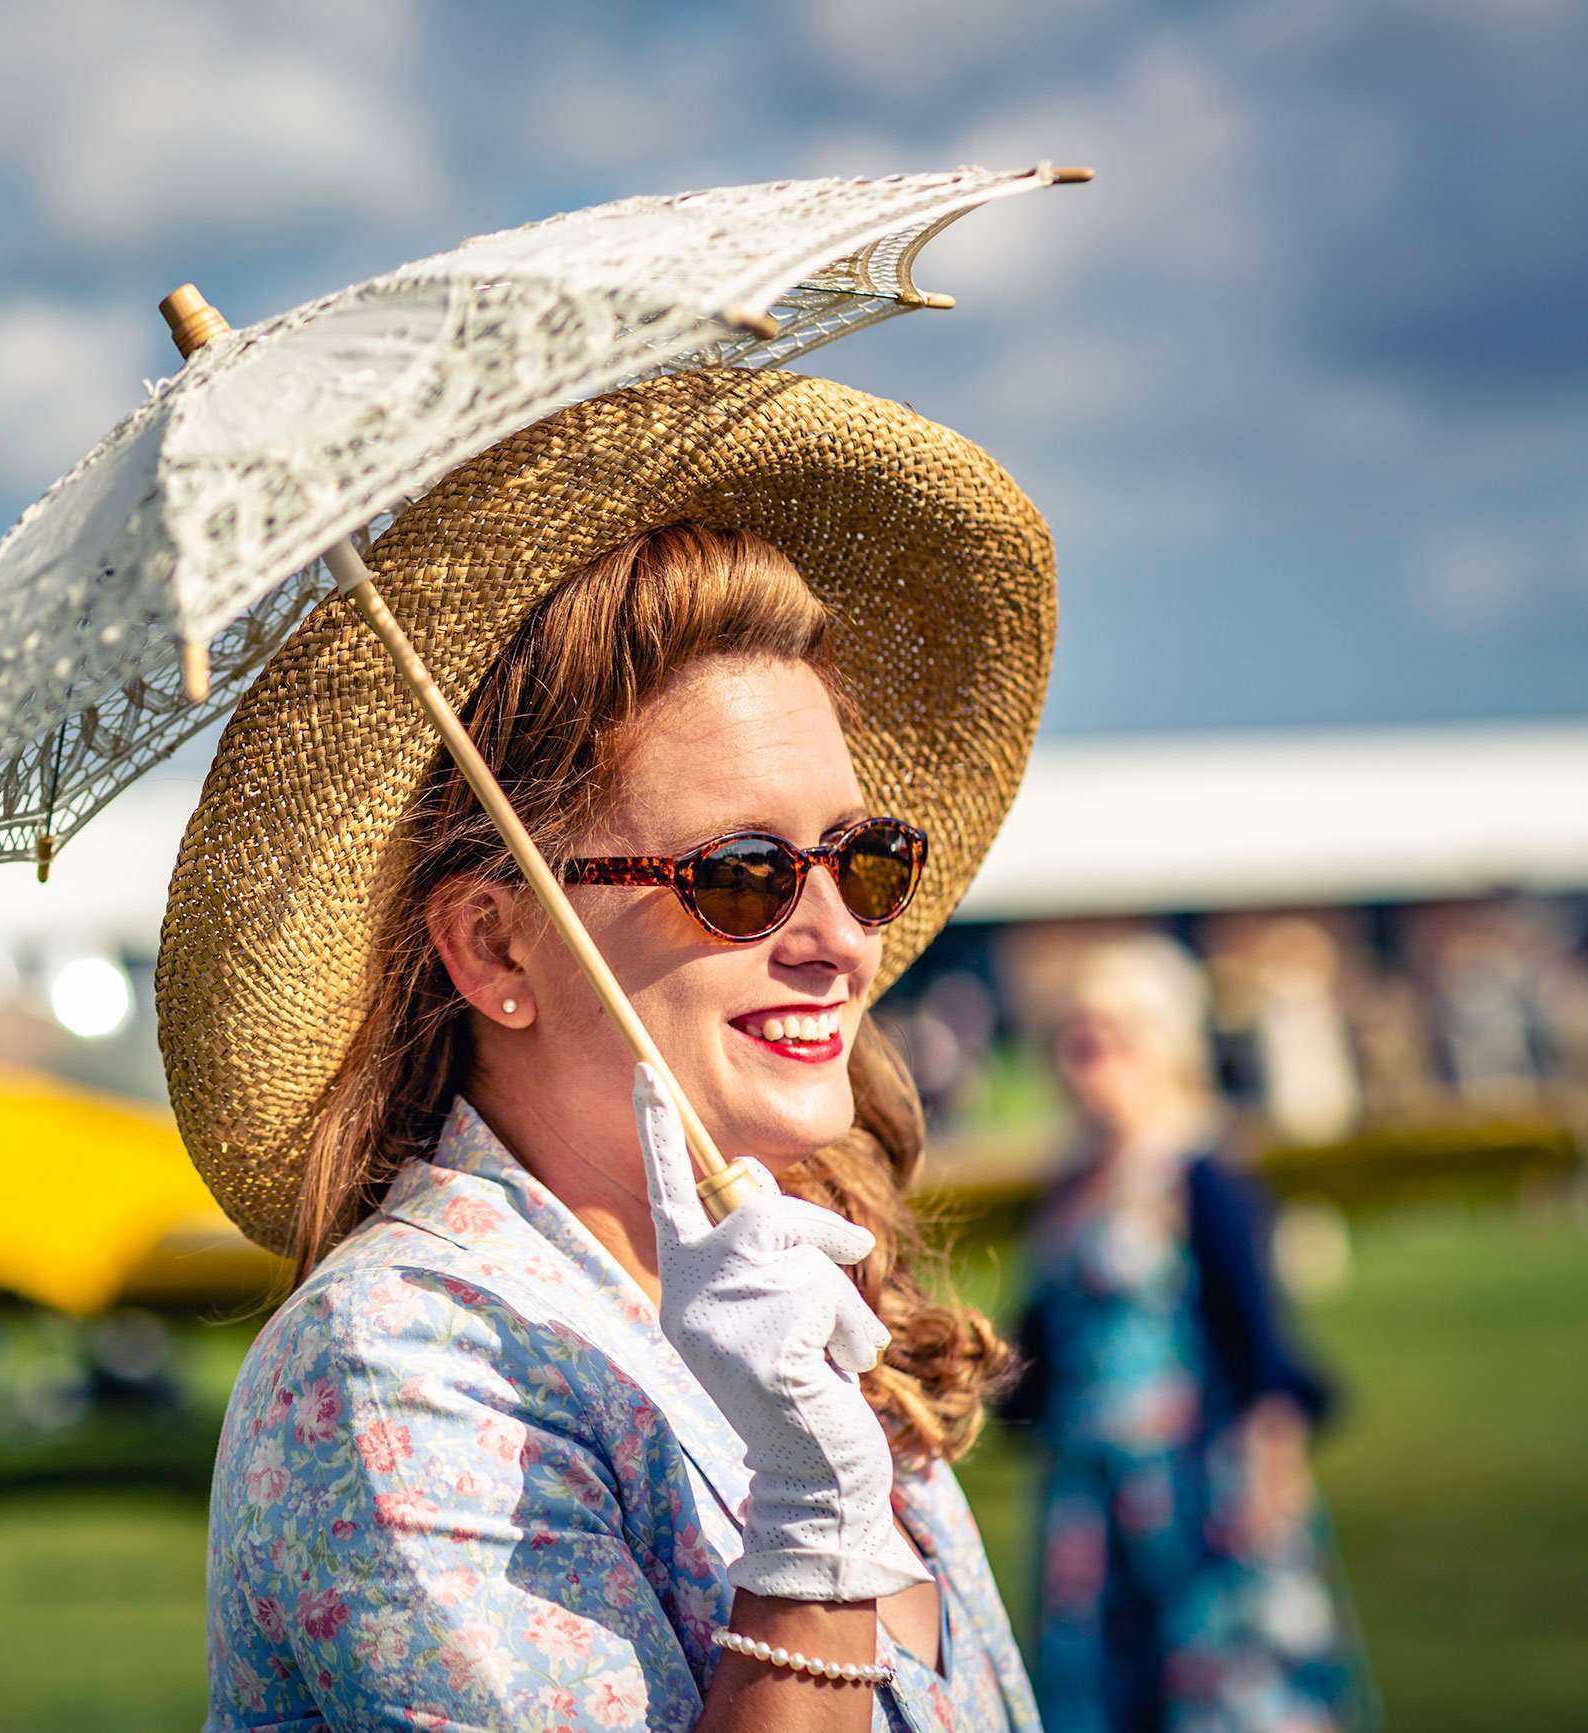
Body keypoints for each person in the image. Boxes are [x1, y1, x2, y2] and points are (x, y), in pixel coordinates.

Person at [160, 369, 1058, 1731]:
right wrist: (813, 1523)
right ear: (494, 948)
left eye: (863, 857)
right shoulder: (396, 1362)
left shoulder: (801, 1283)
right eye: (743, 874)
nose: (841, 938)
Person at [1004, 935, 1372, 1731]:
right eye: (1077, 1042)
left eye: (1112, 1040)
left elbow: (1257, 1331)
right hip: (1088, 1482)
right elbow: (1036, 1341)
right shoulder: (1070, 1179)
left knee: (1221, 1679)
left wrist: (1272, 1465)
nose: (1091, 1062)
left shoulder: (1199, 1170)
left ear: (1161, 1045)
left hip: (1193, 1477)